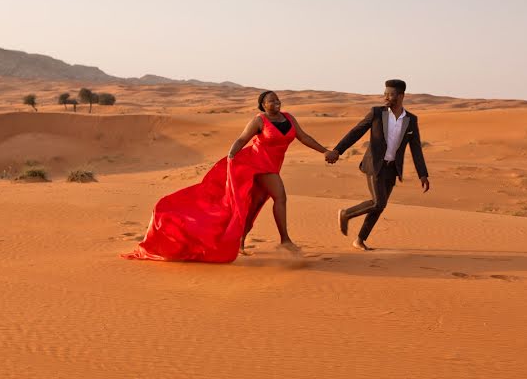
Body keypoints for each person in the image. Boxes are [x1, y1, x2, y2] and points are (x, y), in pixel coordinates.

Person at [122, 91, 337, 263]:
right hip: (257, 164)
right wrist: (231, 155)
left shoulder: (289, 118)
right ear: (263, 105)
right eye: (271, 100)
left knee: (251, 206)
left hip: (273, 166)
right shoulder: (259, 121)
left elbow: (304, 137)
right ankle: (285, 240)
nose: (277, 102)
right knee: (280, 196)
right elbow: (242, 138)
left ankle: (240, 241)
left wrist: (324, 151)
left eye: (278, 99)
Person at [331, 79, 429, 250]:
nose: (386, 97)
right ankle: (346, 214)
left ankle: (359, 240)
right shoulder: (377, 113)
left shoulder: (411, 120)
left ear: (401, 96)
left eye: (390, 94)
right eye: (384, 94)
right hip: (374, 165)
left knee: (379, 207)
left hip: (392, 168)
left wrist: (423, 174)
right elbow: (356, 132)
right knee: (379, 202)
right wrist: (338, 151)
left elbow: (416, 148)